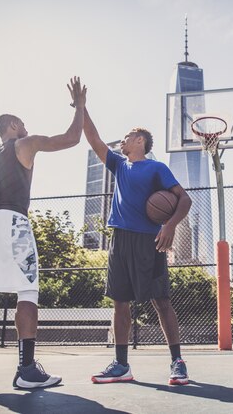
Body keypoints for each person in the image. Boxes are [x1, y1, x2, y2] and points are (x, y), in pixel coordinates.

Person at [0, 77, 87, 390]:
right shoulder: (25, 144)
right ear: (13, 125)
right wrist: (79, 106)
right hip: (13, 221)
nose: (26, 125)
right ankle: (26, 370)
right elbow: (71, 138)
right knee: (27, 292)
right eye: (22, 122)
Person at [82, 101, 192, 385]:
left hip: (149, 241)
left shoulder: (156, 168)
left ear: (140, 140)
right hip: (120, 239)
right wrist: (82, 107)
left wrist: (169, 226)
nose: (123, 139)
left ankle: (177, 362)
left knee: (162, 302)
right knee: (120, 303)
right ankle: (121, 365)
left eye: (128, 135)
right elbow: (93, 139)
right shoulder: (119, 164)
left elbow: (185, 199)